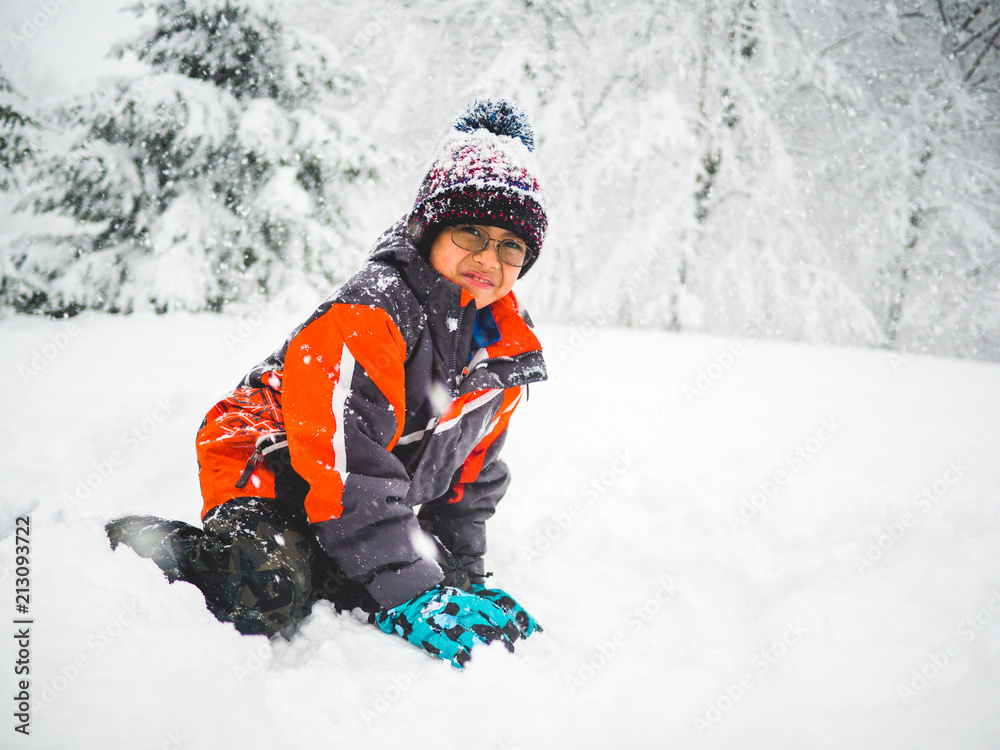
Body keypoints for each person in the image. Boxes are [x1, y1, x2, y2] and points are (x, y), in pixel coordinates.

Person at [106, 98, 548, 668]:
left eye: (510, 244)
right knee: (267, 592)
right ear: (431, 228)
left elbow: (468, 484)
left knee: (439, 576)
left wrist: (465, 580)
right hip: (274, 461)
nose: (489, 257)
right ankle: (135, 544)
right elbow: (347, 465)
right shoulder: (373, 311)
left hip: (348, 492)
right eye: (470, 232)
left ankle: (328, 555)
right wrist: (413, 594)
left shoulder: (503, 350)